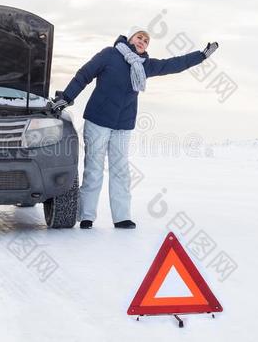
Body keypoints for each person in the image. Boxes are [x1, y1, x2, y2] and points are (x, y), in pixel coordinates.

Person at [52, 29, 218, 229]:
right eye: (140, 37)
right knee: (94, 169)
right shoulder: (110, 54)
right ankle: (87, 216)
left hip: (123, 125)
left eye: (146, 41)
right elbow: (84, 74)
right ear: (130, 38)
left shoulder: (144, 65)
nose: (143, 42)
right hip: (98, 120)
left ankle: (122, 217)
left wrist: (200, 56)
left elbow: (173, 64)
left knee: (120, 171)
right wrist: (67, 98)